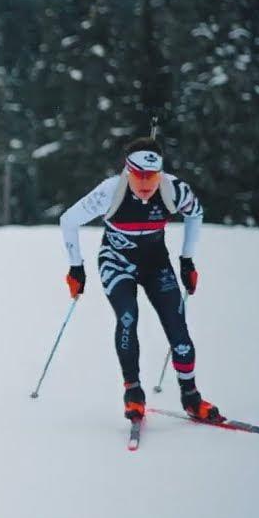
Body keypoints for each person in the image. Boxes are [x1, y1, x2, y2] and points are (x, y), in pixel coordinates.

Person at [59, 137, 222, 424]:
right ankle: (133, 392)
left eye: (152, 176)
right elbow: (68, 220)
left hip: (156, 263)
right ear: (127, 171)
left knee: (177, 326)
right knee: (127, 317)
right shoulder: (110, 191)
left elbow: (195, 214)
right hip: (116, 262)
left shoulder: (174, 189)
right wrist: (76, 269)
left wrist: (187, 260)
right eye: (139, 175)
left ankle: (191, 397)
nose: (146, 183)